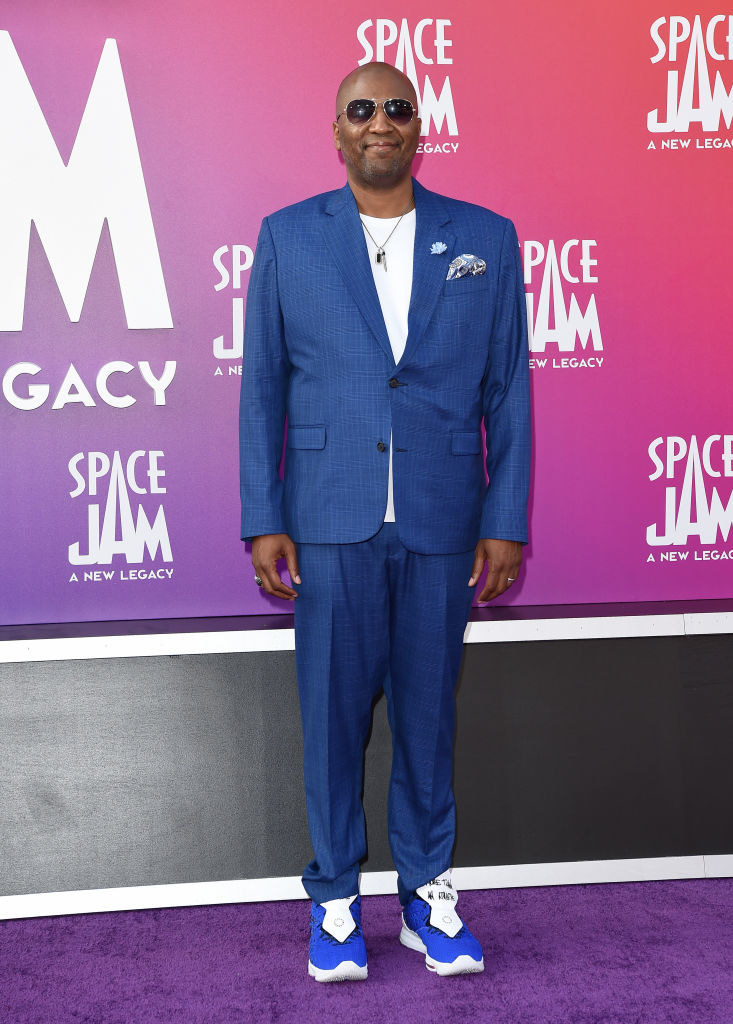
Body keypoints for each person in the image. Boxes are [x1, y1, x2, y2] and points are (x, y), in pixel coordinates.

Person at [239, 61, 530, 982]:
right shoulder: (288, 239)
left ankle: (425, 896)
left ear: (419, 127)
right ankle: (332, 901)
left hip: (444, 525)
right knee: (331, 722)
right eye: (360, 109)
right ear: (336, 131)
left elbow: (508, 392)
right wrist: (263, 515)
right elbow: (260, 392)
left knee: (426, 723)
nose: (379, 123)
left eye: (396, 109)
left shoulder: (484, 238)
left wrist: (505, 517)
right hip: (327, 521)